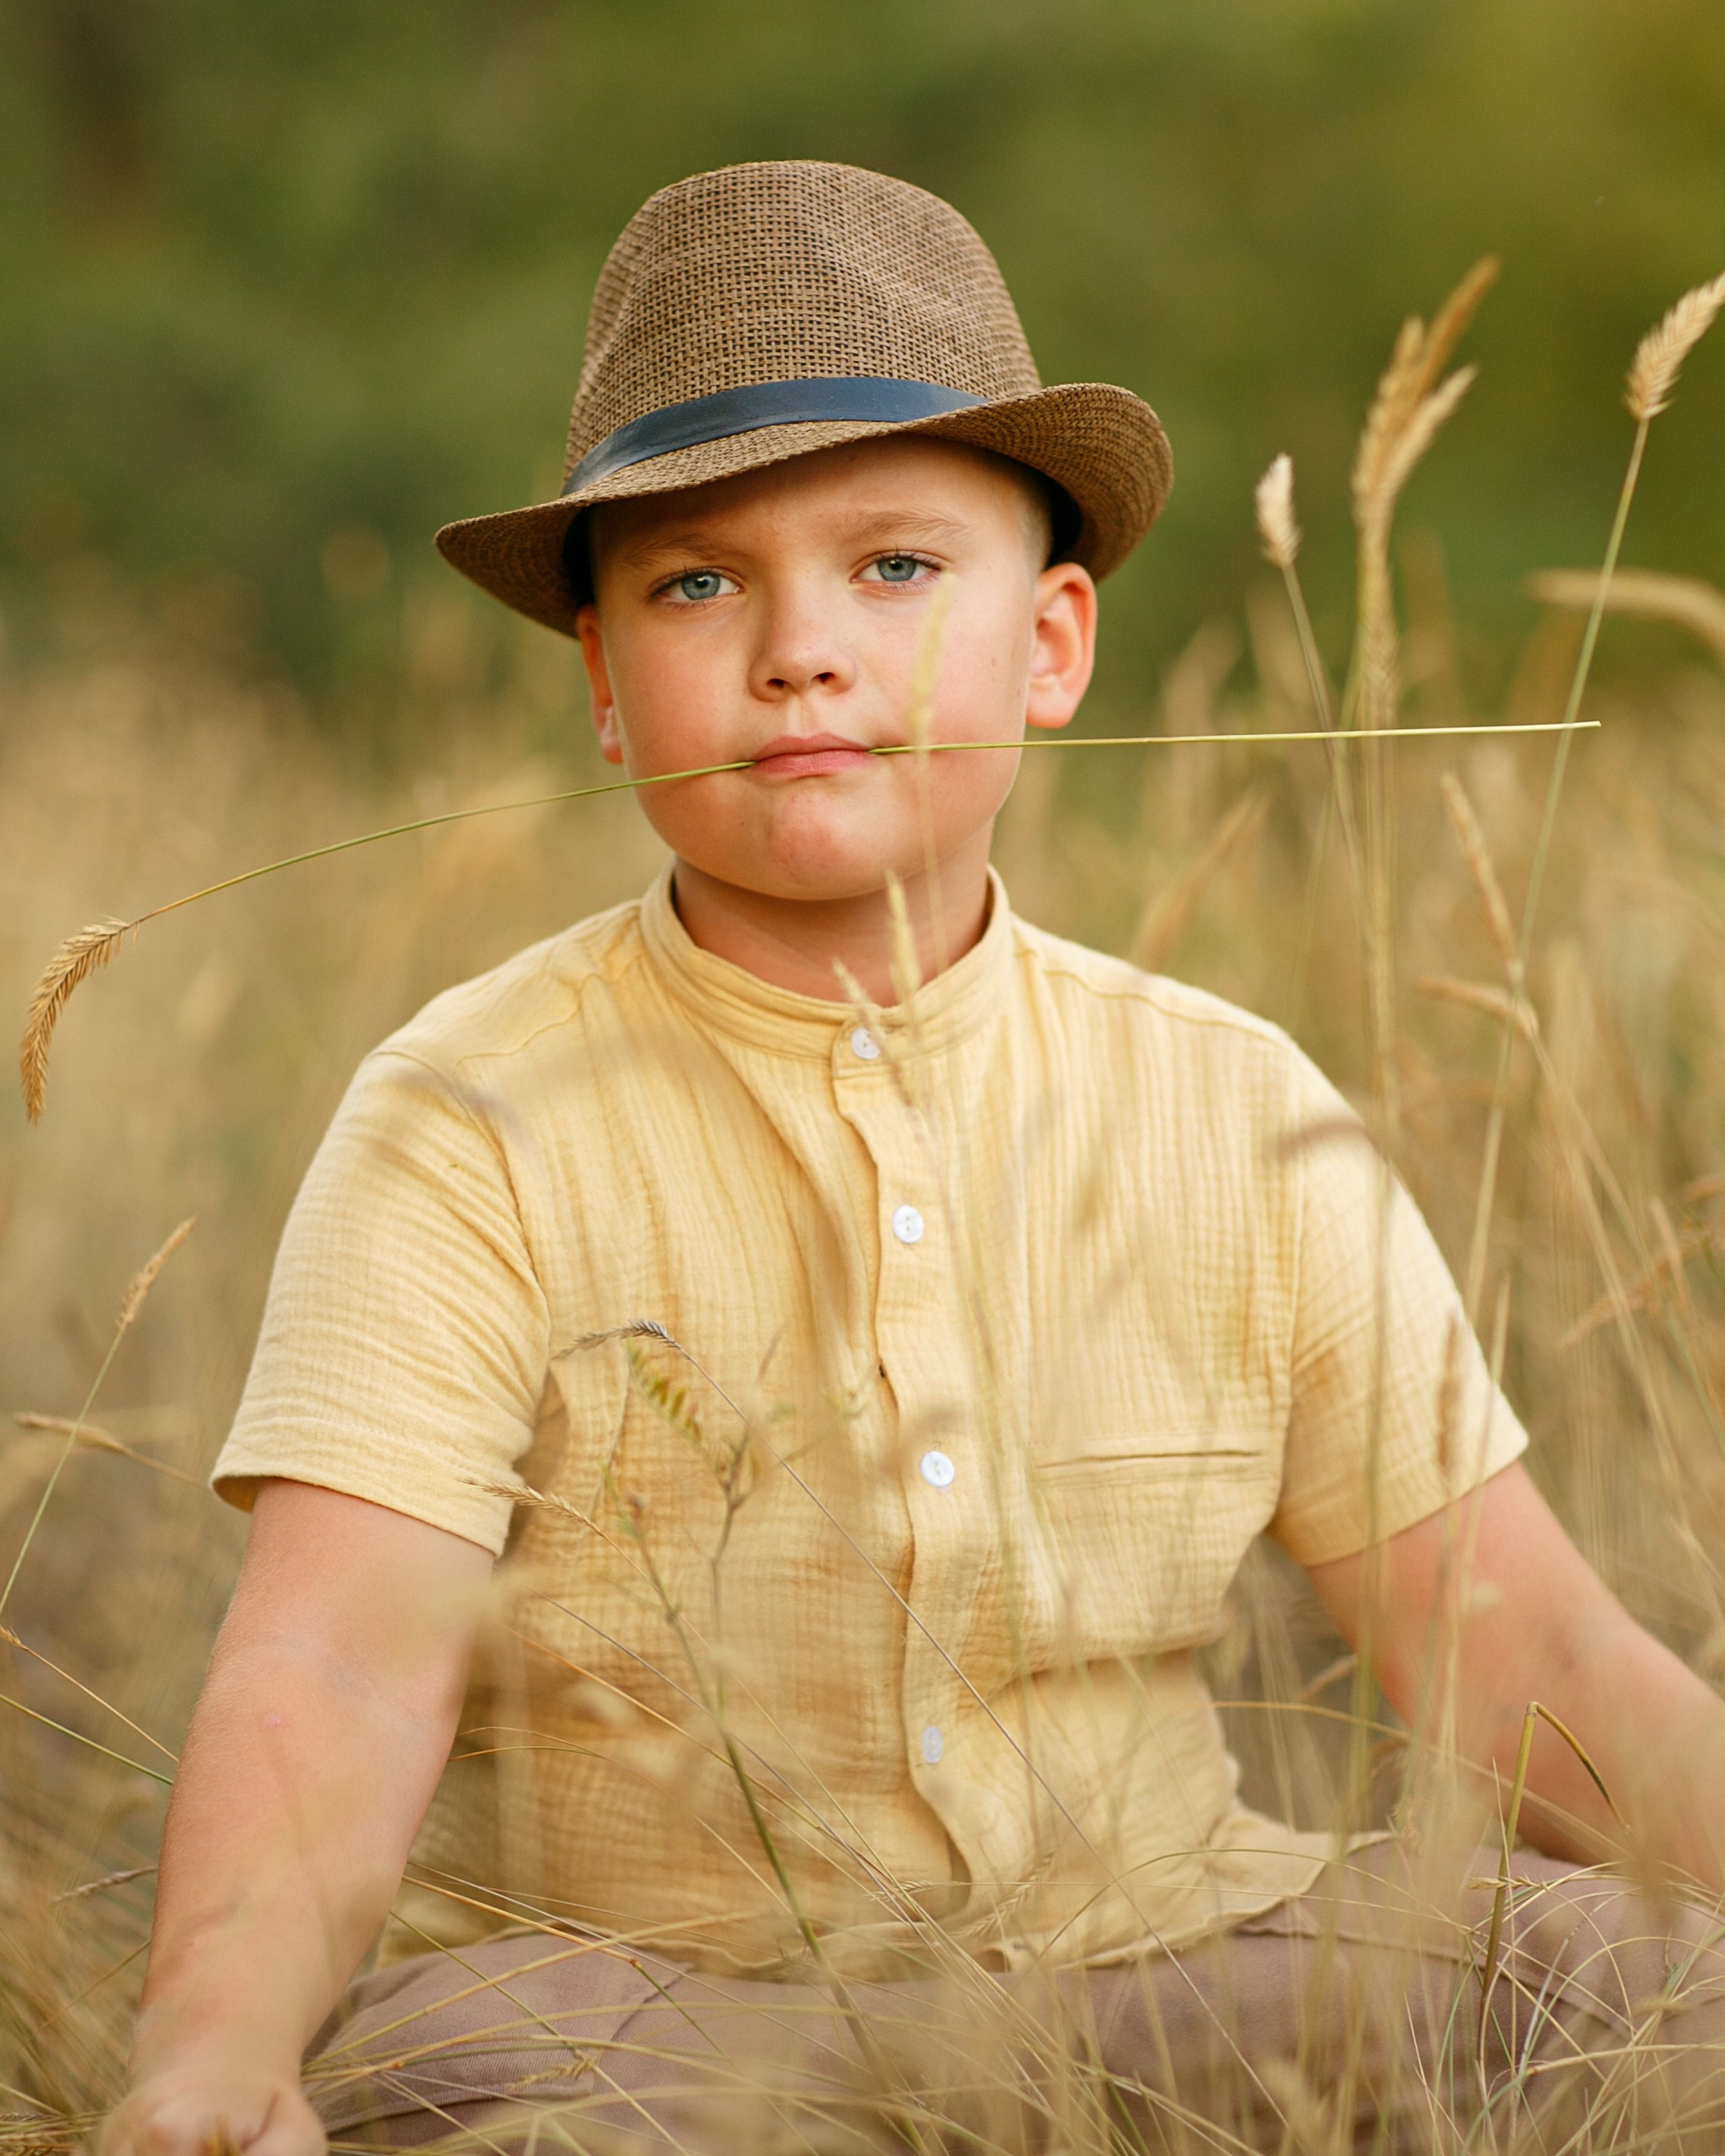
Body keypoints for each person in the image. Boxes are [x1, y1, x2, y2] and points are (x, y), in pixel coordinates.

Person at [103, 162, 1725, 2156]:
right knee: (452, 2082)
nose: (800, 651)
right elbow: (338, 1668)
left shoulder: (1232, 1107)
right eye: (698, 583)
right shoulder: (470, 1119)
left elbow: (1523, 1651)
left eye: (893, 568)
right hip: (667, 2025)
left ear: (1051, 646)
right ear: (608, 687)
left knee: (1650, 1987)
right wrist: (211, 2049)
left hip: (1173, 1973)